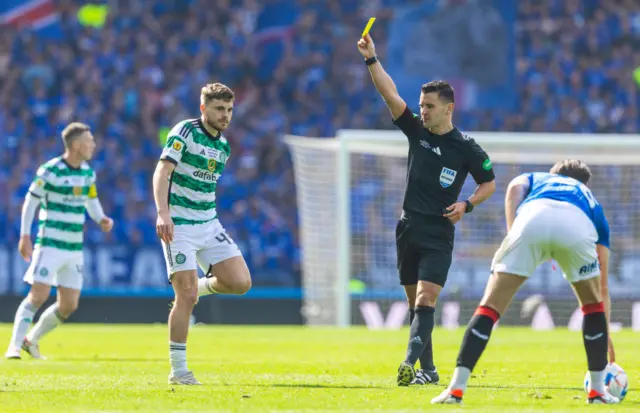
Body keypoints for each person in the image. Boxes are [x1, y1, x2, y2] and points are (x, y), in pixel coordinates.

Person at [356, 34, 496, 386]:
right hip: (407, 229)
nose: (423, 110)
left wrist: (467, 204)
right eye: (422, 104)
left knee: (426, 298)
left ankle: (408, 364)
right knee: (416, 305)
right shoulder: (416, 131)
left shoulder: (466, 149)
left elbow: (489, 183)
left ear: (449, 108)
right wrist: (372, 59)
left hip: (438, 233)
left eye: (430, 106)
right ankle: (430, 372)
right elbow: (390, 94)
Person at [431, 160, 619, 405]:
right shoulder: (591, 200)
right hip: (576, 225)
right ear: (584, 184)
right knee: (592, 306)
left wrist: (513, 234)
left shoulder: (538, 178)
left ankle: (456, 389)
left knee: (489, 306)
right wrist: (604, 336)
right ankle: (597, 392)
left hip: (532, 219)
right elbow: (602, 287)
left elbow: (514, 187)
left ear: (554, 174)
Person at [153, 83, 252, 385]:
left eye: (229, 110)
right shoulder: (185, 131)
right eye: (219, 109)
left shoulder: (223, 146)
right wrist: (162, 212)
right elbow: (162, 172)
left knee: (240, 283)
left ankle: (195, 286)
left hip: (209, 224)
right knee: (186, 297)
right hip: (179, 225)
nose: (225, 115)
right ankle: (179, 371)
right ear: (203, 109)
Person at [5, 122, 113, 360]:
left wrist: (101, 218)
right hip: (50, 244)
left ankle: (30, 341)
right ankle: (13, 346)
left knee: (69, 305)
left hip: (74, 248)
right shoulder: (50, 170)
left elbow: (90, 201)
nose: (93, 145)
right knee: (38, 295)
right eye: (89, 141)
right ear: (76, 145)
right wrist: (25, 236)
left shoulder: (87, 173)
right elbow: (30, 202)